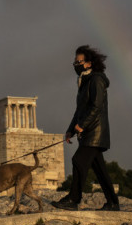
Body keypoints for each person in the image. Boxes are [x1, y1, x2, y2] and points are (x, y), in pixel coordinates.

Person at [51, 45, 120, 211]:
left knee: (78, 160)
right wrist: (70, 130)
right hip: (89, 132)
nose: (75, 64)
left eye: (78, 61)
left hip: (95, 133)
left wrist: (82, 125)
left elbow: (96, 107)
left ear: (88, 63)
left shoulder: (97, 80)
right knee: (100, 170)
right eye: (74, 62)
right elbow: (80, 110)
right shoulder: (84, 82)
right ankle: (113, 203)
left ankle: (74, 199)